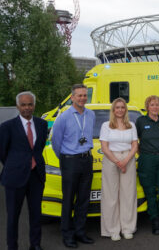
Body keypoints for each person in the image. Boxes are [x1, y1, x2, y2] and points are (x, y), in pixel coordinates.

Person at [0, 92, 48, 250]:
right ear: (17, 106)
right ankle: (12, 246)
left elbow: (38, 148)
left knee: (36, 214)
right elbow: (3, 152)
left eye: (30, 104)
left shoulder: (42, 124)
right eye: (23, 105)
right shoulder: (7, 127)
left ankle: (35, 245)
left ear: (34, 105)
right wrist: (16, 165)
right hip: (15, 177)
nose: (27, 108)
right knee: (13, 216)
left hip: (36, 176)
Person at [52, 84, 96, 248]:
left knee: (84, 199)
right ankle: (67, 234)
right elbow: (56, 142)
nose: (82, 98)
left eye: (85, 95)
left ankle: (80, 232)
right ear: (72, 97)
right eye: (79, 95)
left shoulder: (90, 114)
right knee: (69, 199)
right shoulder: (63, 117)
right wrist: (66, 157)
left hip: (87, 159)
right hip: (70, 160)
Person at [99, 98, 138, 241]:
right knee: (110, 196)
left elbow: (135, 145)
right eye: (117, 107)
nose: (120, 110)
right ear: (113, 110)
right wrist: (117, 162)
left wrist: (126, 161)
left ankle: (127, 228)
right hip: (111, 159)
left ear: (125, 109)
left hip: (128, 158)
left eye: (122, 107)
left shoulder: (131, 125)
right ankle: (112, 230)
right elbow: (104, 147)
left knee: (128, 195)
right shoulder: (106, 125)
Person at [135, 96, 159, 235]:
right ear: (147, 107)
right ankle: (155, 221)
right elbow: (135, 140)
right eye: (152, 105)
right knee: (150, 193)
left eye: (157, 105)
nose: (155, 107)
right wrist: (143, 153)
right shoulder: (141, 121)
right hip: (146, 160)